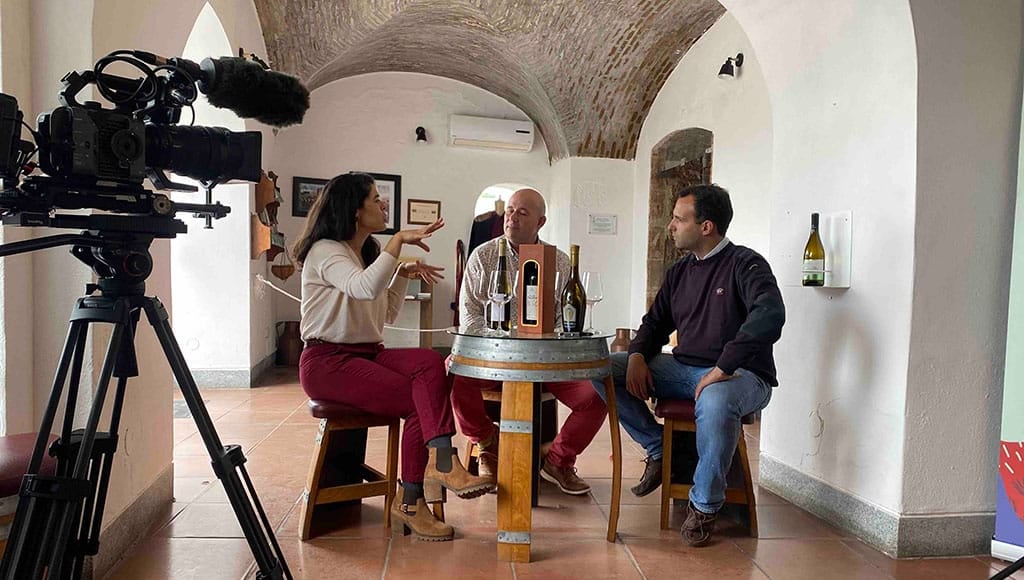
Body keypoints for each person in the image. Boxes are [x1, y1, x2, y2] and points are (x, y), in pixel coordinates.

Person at [293, 172, 494, 541]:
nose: (383, 204)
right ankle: (422, 488)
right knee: (421, 403)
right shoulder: (327, 250)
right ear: (354, 210)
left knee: (431, 362)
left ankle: (434, 470)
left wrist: (401, 273)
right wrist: (398, 242)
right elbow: (364, 288)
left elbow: (383, 313)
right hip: (327, 363)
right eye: (374, 198)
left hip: (365, 355)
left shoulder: (362, 253)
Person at [596, 184, 784, 546]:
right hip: (684, 371)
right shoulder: (680, 271)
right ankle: (657, 448)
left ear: (706, 227)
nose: (671, 226)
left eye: (679, 219)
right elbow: (654, 322)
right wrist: (636, 355)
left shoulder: (747, 264)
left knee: (714, 399)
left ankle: (704, 506)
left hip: (743, 376)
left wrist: (723, 368)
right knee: (602, 367)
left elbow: (771, 314)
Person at [454, 187, 607, 495]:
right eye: (509, 211)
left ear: (541, 222)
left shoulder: (560, 263)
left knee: (598, 395)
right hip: (493, 364)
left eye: (522, 213)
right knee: (455, 375)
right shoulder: (483, 256)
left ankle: (559, 461)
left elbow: (567, 322)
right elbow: (469, 319)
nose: (512, 217)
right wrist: (505, 347)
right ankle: (487, 444)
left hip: (546, 365)